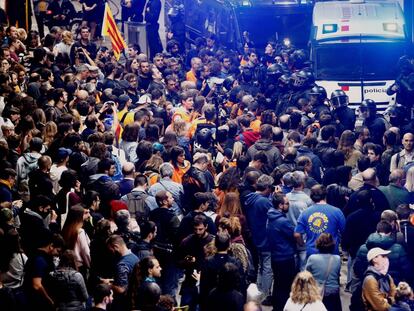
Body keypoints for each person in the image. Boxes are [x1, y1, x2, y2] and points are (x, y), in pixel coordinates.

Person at [243, 174, 274, 304]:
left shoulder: (249, 198)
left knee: (261, 265)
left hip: (256, 236)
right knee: (267, 267)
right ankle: (265, 293)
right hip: (265, 238)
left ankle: (260, 290)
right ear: (266, 187)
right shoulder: (264, 201)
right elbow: (274, 214)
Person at [295, 184, 346, 256]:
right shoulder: (337, 211)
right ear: (325, 195)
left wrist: (303, 245)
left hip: (312, 252)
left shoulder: (304, 213)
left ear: (311, 197)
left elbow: (297, 234)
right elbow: (344, 232)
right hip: (332, 251)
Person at [267, 193, 297, 311]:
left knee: (278, 284)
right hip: (285, 257)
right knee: (285, 286)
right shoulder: (282, 221)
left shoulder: (270, 216)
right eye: (287, 203)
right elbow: (293, 235)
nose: (288, 205)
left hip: (275, 256)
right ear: (280, 205)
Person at [23, 229, 64, 311]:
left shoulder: (40, 256)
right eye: (58, 251)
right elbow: (37, 285)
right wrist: (50, 301)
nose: (58, 254)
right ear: (51, 246)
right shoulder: (40, 259)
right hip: (38, 303)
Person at [306, 233, 342, 311]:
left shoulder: (312, 258)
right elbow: (337, 275)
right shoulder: (337, 259)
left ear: (318, 244)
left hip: (316, 291)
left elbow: (307, 275)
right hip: (333, 291)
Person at [105, 234, 139, 311]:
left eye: (111, 250)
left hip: (123, 304)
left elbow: (121, 289)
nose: (111, 253)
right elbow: (129, 278)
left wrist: (108, 285)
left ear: (116, 246)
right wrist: (112, 280)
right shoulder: (135, 257)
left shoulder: (122, 264)